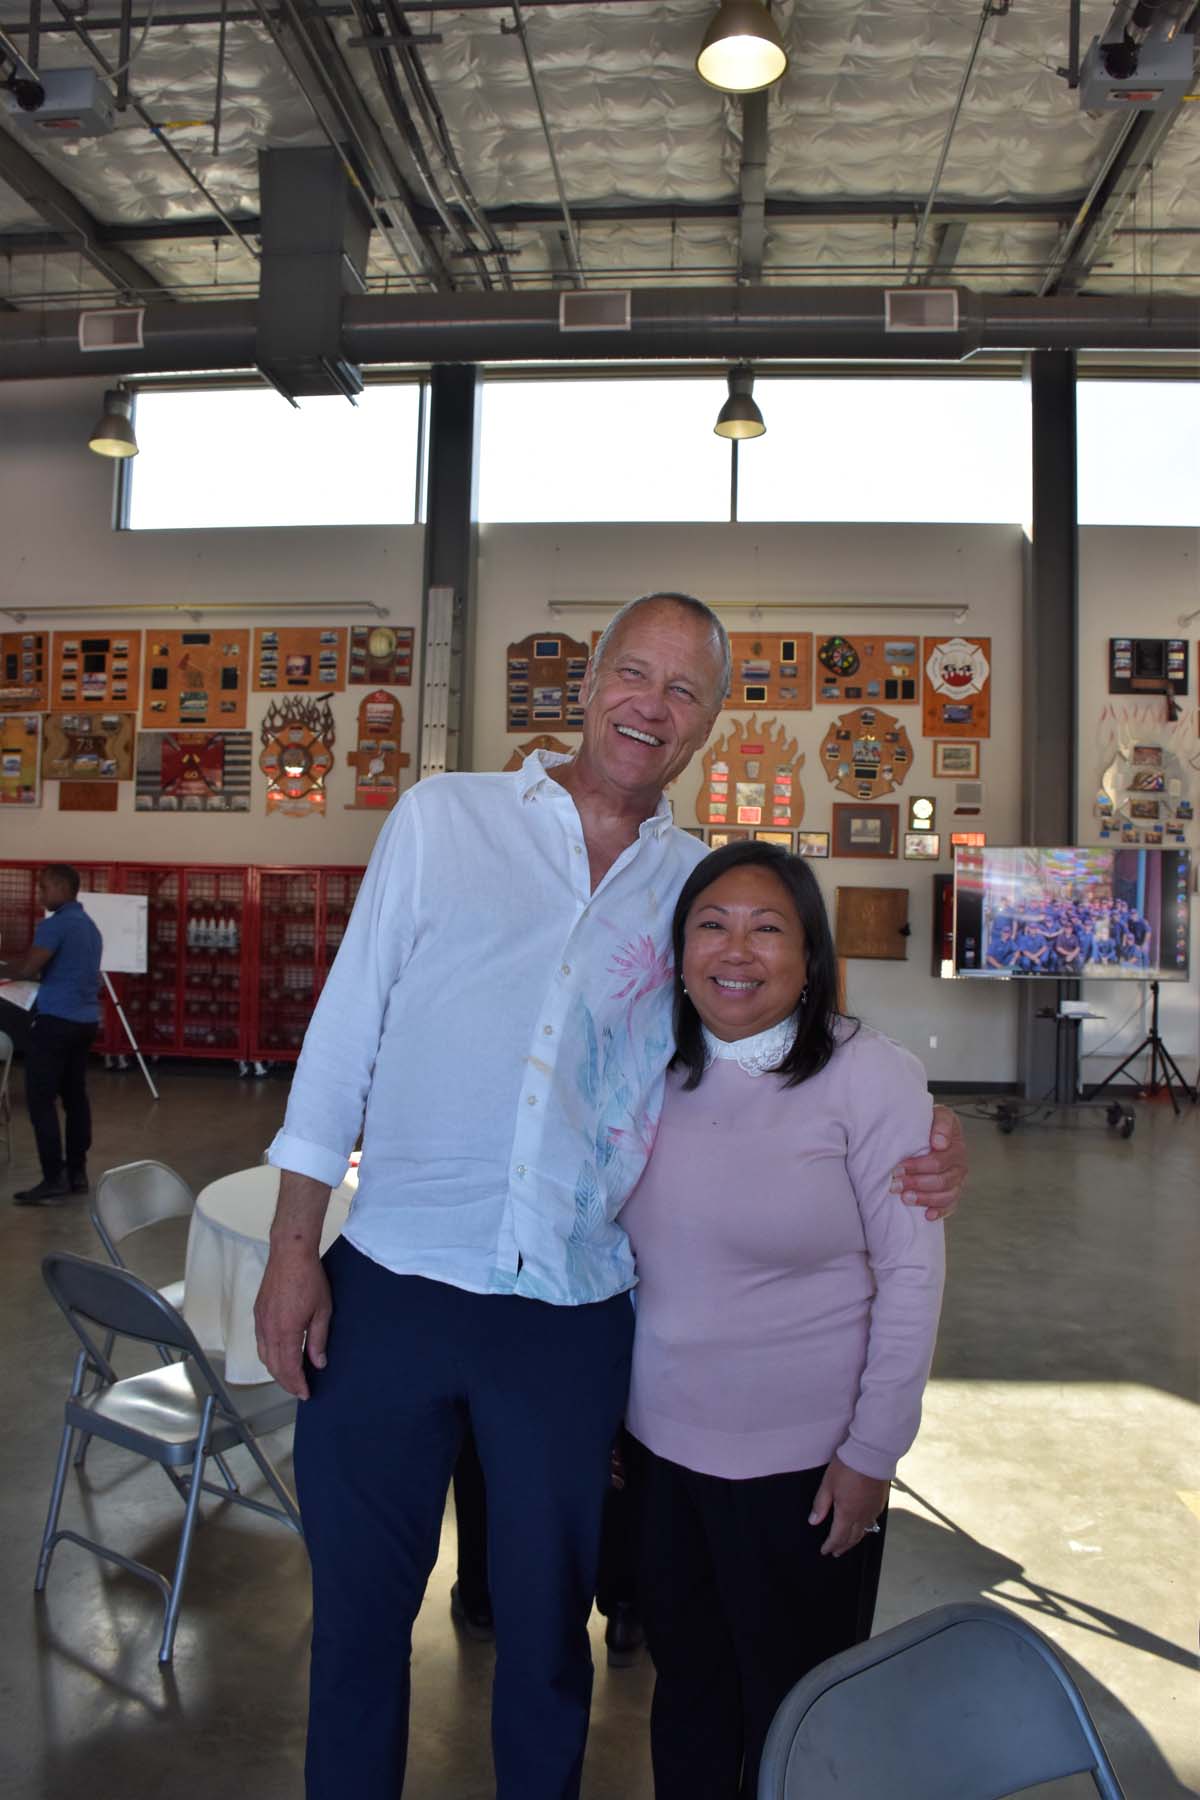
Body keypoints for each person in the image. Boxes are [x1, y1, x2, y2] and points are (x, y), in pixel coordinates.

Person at [253, 591, 968, 1800]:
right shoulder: (443, 819)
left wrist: (923, 1126)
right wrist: (293, 1242)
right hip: (392, 1286)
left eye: (686, 690)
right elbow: (344, 1031)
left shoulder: (694, 887)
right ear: (588, 684)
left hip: (571, 1314)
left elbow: (764, 1040)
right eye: (635, 674)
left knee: (547, 1641)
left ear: (711, 722)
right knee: (358, 1627)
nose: (652, 705)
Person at [621, 841, 945, 1797]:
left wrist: (874, 1451)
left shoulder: (868, 1076)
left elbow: (913, 1273)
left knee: (796, 1714)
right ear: (680, 950)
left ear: (810, 957)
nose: (737, 951)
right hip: (659, 1453)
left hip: (805, 1471)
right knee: (687, 1694)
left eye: (769, 929)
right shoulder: (645, 1068)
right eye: (712, 926)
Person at [0, 864, 103, 1206]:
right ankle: (77, 1173)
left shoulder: (56, 924)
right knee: (75, 1098)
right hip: (86, 1021)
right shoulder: (90, 927)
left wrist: (6, 969)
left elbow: (30, 967)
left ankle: (52, 1178)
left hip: (56, 1021)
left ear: (61, 887)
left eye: (44, 888)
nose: (40, 895)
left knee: (40, 1099)